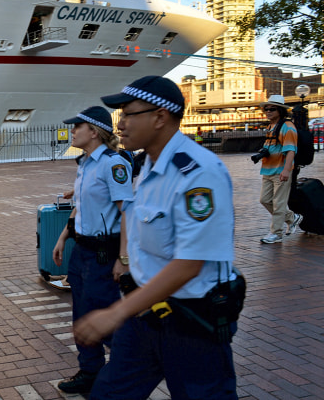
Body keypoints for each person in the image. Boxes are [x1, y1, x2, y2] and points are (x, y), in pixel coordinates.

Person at [74, 76, 241, 399]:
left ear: (160, 117)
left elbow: (191, 263)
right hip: (145, 316)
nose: (119, 124)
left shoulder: (197, 172)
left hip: (193, 323)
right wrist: (127, 265)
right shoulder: (149, 164)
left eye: (128, 114)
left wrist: (115, 312)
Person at [52, 106, 133, 394]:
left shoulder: (113, 164)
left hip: (103, 253)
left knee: (102, 316)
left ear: (95, 132)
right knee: (82, 315)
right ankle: (90, 371)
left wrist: (123, 259)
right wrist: (63, 237)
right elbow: (81, 207)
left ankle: (130, 366)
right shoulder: (85, 163)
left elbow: (127, 212)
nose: (72, 131)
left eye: (77, 126)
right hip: (82, 251)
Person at [258, 95, 301, 244]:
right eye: (266, 109)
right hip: (268, 170)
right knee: (264, 200)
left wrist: (287, 170)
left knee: (278, 203)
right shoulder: (271, 126)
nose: (268, 111)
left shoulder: (287, 127)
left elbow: (290, 150)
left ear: (281, 110)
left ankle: (276, 233)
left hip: (281, 170)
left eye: (272, 109)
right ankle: (291, 217)